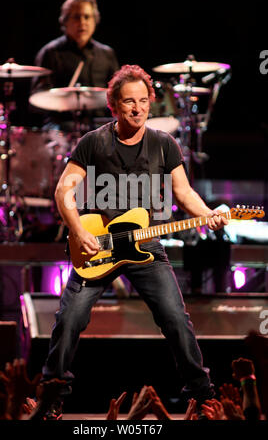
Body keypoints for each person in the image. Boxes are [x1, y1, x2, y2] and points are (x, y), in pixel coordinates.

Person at [40, 64, 228, 419]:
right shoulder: (93, 142)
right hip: (98, 243)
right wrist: (78, 230)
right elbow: (64, 189)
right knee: (70, 319)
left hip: (145, 246)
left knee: (175, 317)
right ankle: (51, 398)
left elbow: (184, 192)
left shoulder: (163, 144)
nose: (138, 108)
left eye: (143, 101)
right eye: (129, 102)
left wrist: (208, 214)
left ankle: (203, 397)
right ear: (114, 105)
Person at [31, 0, 120, 131]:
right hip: (62, 125)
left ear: (95, 20)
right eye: (76, 17)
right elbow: (38, 99)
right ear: (65, 21)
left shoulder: (106, 54)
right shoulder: (50, 53)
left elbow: (117, 93)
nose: (82, 22)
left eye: (87, 17)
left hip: (101, 124)